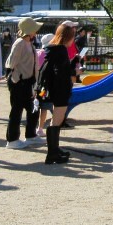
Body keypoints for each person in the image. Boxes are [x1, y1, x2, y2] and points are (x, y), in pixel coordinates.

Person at [4, 17, 42, 149]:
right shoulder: (20, 43)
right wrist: (15, 78)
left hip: (29, 81)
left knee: (33, 109)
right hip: (20, 81)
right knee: (16, 110)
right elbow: (11, 63)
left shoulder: (28, 43)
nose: (35, 33)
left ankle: (31, 135)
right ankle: (12, 139)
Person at [42, 22, 76, 165]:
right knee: (57, 121)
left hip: (51, 89)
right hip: (60, 90)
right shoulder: (61, 51)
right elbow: (61, 72)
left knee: (55, 120)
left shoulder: (51, 49)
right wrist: (73, 73)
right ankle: (52, 153)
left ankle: (54, 149)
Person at [35, 33, 54, 136]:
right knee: (45, 107)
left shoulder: (38, 53)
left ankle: (37, 127)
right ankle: (40, 128)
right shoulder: (49, 54)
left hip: (36, 84)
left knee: (37, 105)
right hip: (45, 86)